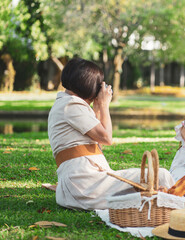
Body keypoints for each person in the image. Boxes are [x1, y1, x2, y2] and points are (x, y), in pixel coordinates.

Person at [48, 58, 174, 210]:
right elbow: (106, 138)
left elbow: (98, 144)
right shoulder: (71, 104)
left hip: (85, 185)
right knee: (162, 176)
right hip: (85, 186)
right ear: (88, 84)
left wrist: (97, 108)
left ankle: (165, 202)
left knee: (153, 183)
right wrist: (104, 105)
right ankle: (182, 207)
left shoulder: (68, 103)